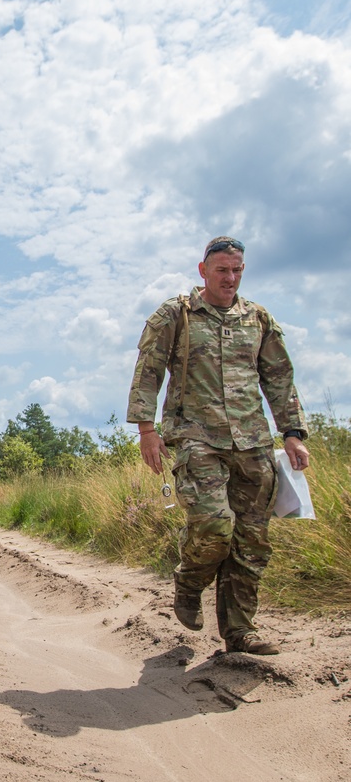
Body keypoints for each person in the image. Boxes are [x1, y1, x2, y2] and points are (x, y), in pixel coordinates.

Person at [127, 236, 309, 656]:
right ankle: (189, 581)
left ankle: (240, 631)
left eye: (238, 270)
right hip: (196, 436)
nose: (231, 278)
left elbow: (279, 378)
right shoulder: (177, 314)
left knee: (251, 539)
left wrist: (293, 433)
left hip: (252, 442)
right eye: (223, 270)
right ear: (203, 270)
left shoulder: (257, 319)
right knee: (214, 526)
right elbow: (148, 370)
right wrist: (146, 430)